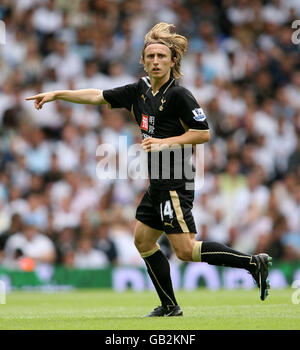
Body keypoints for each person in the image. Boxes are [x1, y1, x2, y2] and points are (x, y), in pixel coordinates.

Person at [26, 22, 272, 317]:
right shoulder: (138, 90)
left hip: (175, 180)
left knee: (185, 250)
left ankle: (251, 263)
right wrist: (58, 94)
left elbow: (203, 133)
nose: (156, 61)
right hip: (157, 183)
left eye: (162, 57)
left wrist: (164, 142)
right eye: (151, 57)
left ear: (173, 61)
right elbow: (97, 95)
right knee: (143, 240)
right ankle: (170, 306)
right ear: (143, 61)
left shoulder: (181, 95)